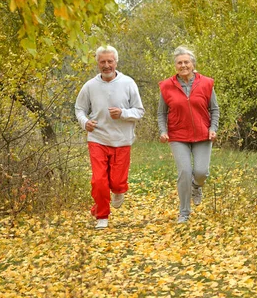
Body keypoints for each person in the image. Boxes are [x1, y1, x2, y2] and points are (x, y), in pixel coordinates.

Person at [75, 45, 145, 230]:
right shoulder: (90, 85)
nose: (106, 65)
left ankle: (119, 190)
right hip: (97, 137)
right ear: (97, 63)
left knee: (116, 182)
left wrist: (122, 113)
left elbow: (139, 111)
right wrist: (85, 123)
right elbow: (79, 109)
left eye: (109, 61)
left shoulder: (128, 83)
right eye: (102, 62)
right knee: (99, 180)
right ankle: (102, 216)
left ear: (116, 62)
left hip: (122, 140)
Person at [158, 46, 220, 223]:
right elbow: (161, 113)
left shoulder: (206, 83)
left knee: (201, 171)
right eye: (179, 63)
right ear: (175, 65)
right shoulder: (166, 86)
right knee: (184, 171)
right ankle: (184, 212)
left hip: (203, 133)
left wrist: (213, 127)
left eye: (186, 62)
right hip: (177, 135)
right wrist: (163, 131)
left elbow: (214, 109)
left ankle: (196, 186)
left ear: (193, 64)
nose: (183, 65)